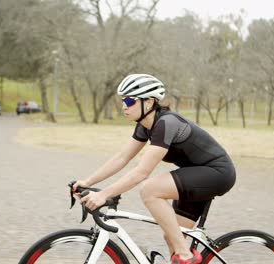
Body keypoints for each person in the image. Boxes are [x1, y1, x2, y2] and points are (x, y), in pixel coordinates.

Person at [73, 74, 236, 264]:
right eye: (122, 100)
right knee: (172, 236)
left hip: (217, 173)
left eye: (129, 100)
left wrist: (103, 195)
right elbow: (122, 157)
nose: (124, 106)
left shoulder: (166, 124)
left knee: (150, 189)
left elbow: (142, 173)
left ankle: (185, 256)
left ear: (149, 102)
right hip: (195, 175)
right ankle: (184, 254)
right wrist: (88, 182)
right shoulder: (145, 126)